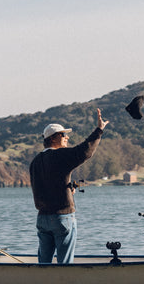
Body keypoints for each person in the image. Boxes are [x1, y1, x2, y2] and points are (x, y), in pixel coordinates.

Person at [30, 108, 109, 263]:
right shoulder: (60, 155)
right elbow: (85, 151)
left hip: (42, 219)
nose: (66, 137)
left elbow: (44, 187)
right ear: (53, 139)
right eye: (63, 135)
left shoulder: (35, 162)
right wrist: (99, 130)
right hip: (62, 218)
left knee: (43, 264)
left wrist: (66, 190)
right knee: (64, 265)